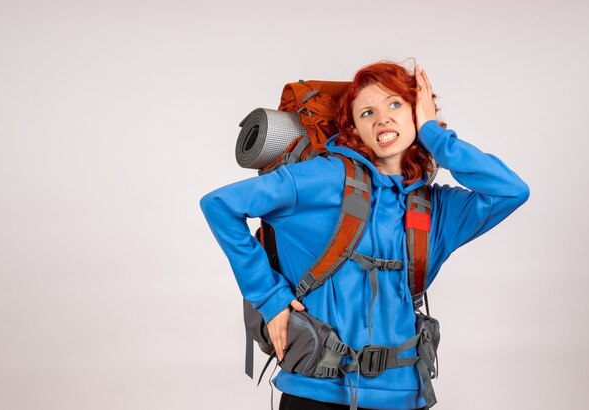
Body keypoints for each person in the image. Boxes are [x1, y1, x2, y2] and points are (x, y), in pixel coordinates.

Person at [200, 61, 529, 410]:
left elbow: (511, 191)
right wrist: (269, 298)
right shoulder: (323, 179)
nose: (383, 118)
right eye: (367, 112)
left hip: (406, 396)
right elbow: (220, 205)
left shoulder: (436, 209)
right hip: (316, 394)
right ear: (354, 129)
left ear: (417, 113)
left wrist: (436, 136)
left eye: (396, 104)